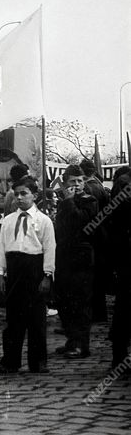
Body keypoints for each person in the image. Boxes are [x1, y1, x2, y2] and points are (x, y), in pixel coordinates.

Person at [0, 176, 56, 375]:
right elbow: (3, 249)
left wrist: (46, 275)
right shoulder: (8, 221)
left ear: (34, 195)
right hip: (14, 269)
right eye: (16, 194)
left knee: (36, 319)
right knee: (14, 318)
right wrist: (1, 274)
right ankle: (10, 361)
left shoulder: (44, 221)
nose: (19, 197)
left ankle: (38, 362)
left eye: (23, 193)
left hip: (35, 269)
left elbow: (50, 249)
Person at [54, 164, 98, 359]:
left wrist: (70, 202)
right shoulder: (63, 201)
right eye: (73, 181)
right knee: (64, 301)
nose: (78, 184)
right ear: (65, 184)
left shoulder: (91, 201)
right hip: (64, 257)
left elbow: (80, 222)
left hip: (81, 258)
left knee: (80, 303)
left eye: (80, 181)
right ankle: (71, 340)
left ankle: (82, 345)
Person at [80, 158, 112, 323]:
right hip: (101, 234)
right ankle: (100, 313)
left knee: (89, 277)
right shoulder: (100, 186)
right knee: (98, 277)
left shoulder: (88, 188)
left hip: (90, 236)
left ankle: (92, 314)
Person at [108, 166, 131, 373]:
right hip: (127, 255)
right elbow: (119, 217)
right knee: (124, 309)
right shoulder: (124, 182)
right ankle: (119, 359)